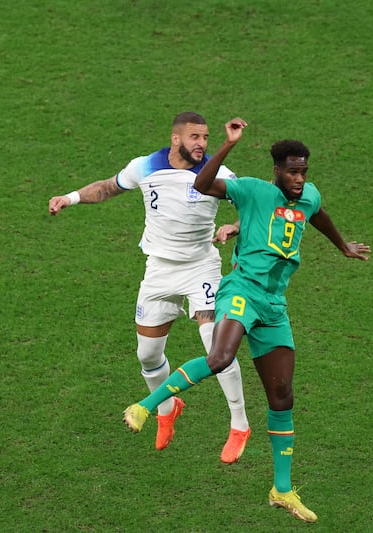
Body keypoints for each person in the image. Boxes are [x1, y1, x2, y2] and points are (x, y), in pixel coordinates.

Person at [122, 117, 371, 523]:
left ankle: (282, 490)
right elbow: (202, 185)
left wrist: (343, 245)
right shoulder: (252, 190)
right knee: (220, 356)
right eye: (292, 171)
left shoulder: (307, 196)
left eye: (303, 171)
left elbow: (319, 213)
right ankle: (147, 406)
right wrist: (228, 144)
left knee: (282, 396)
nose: (298, 178)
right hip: (241, 291)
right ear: (277, 170)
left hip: (274, 305)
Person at [49, 112, 251, 462]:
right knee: (148, 356)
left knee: (215, 344)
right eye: (194, 137)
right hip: (158, 271)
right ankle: (168, 408)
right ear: (176, 139)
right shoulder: (146, 166)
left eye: (204, 137)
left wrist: (233, 226)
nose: (201, 143)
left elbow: (254, 207)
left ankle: (239, 424)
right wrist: (70, 198)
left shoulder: (218, 173)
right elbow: (109, 186)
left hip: (201, 267)